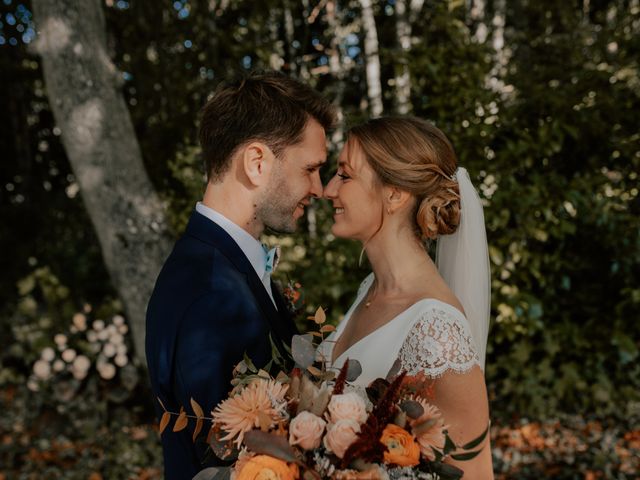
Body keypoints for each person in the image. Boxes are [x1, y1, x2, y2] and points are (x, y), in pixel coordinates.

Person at [145, 71, 336, 479]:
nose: (320, 188)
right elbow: (230, 462)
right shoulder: (210, 292)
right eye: (311, 168)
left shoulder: (220, 265)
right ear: (256, 163)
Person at [319, 116, 493, 477]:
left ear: (395, 193)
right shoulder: (371, 289)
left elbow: (475, 472)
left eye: (345, 175)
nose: (328, 190)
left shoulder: (438, 332)